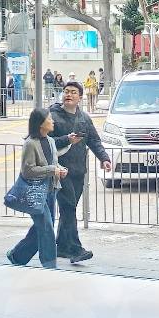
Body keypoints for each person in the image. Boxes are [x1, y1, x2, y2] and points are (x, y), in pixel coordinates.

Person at [49, 82, 112, 263]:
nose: (68, 94)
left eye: (73, 92)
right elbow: (45, 141)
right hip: (60, 171)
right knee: (68, 207)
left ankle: (61, 247)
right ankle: (76, 249)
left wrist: (104, 158)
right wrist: (66, 139)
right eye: (66, 91)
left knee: (69, 209)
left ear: (80, 97)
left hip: (78, 170)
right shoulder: (52, 116)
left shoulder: (84, 118)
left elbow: (94, 141)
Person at [7, 108, 68, 269]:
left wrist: (60, 170)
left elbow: (53, 163)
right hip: (36, 192)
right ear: (41, 123)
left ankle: (17, 256)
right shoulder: (30, 144)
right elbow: (28, 170)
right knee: (47, 228)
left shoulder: (51, 141)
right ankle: (50, 265)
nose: (52, 121)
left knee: (42, 227)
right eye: (49, 118)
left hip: (51, 191)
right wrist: (52, 170)